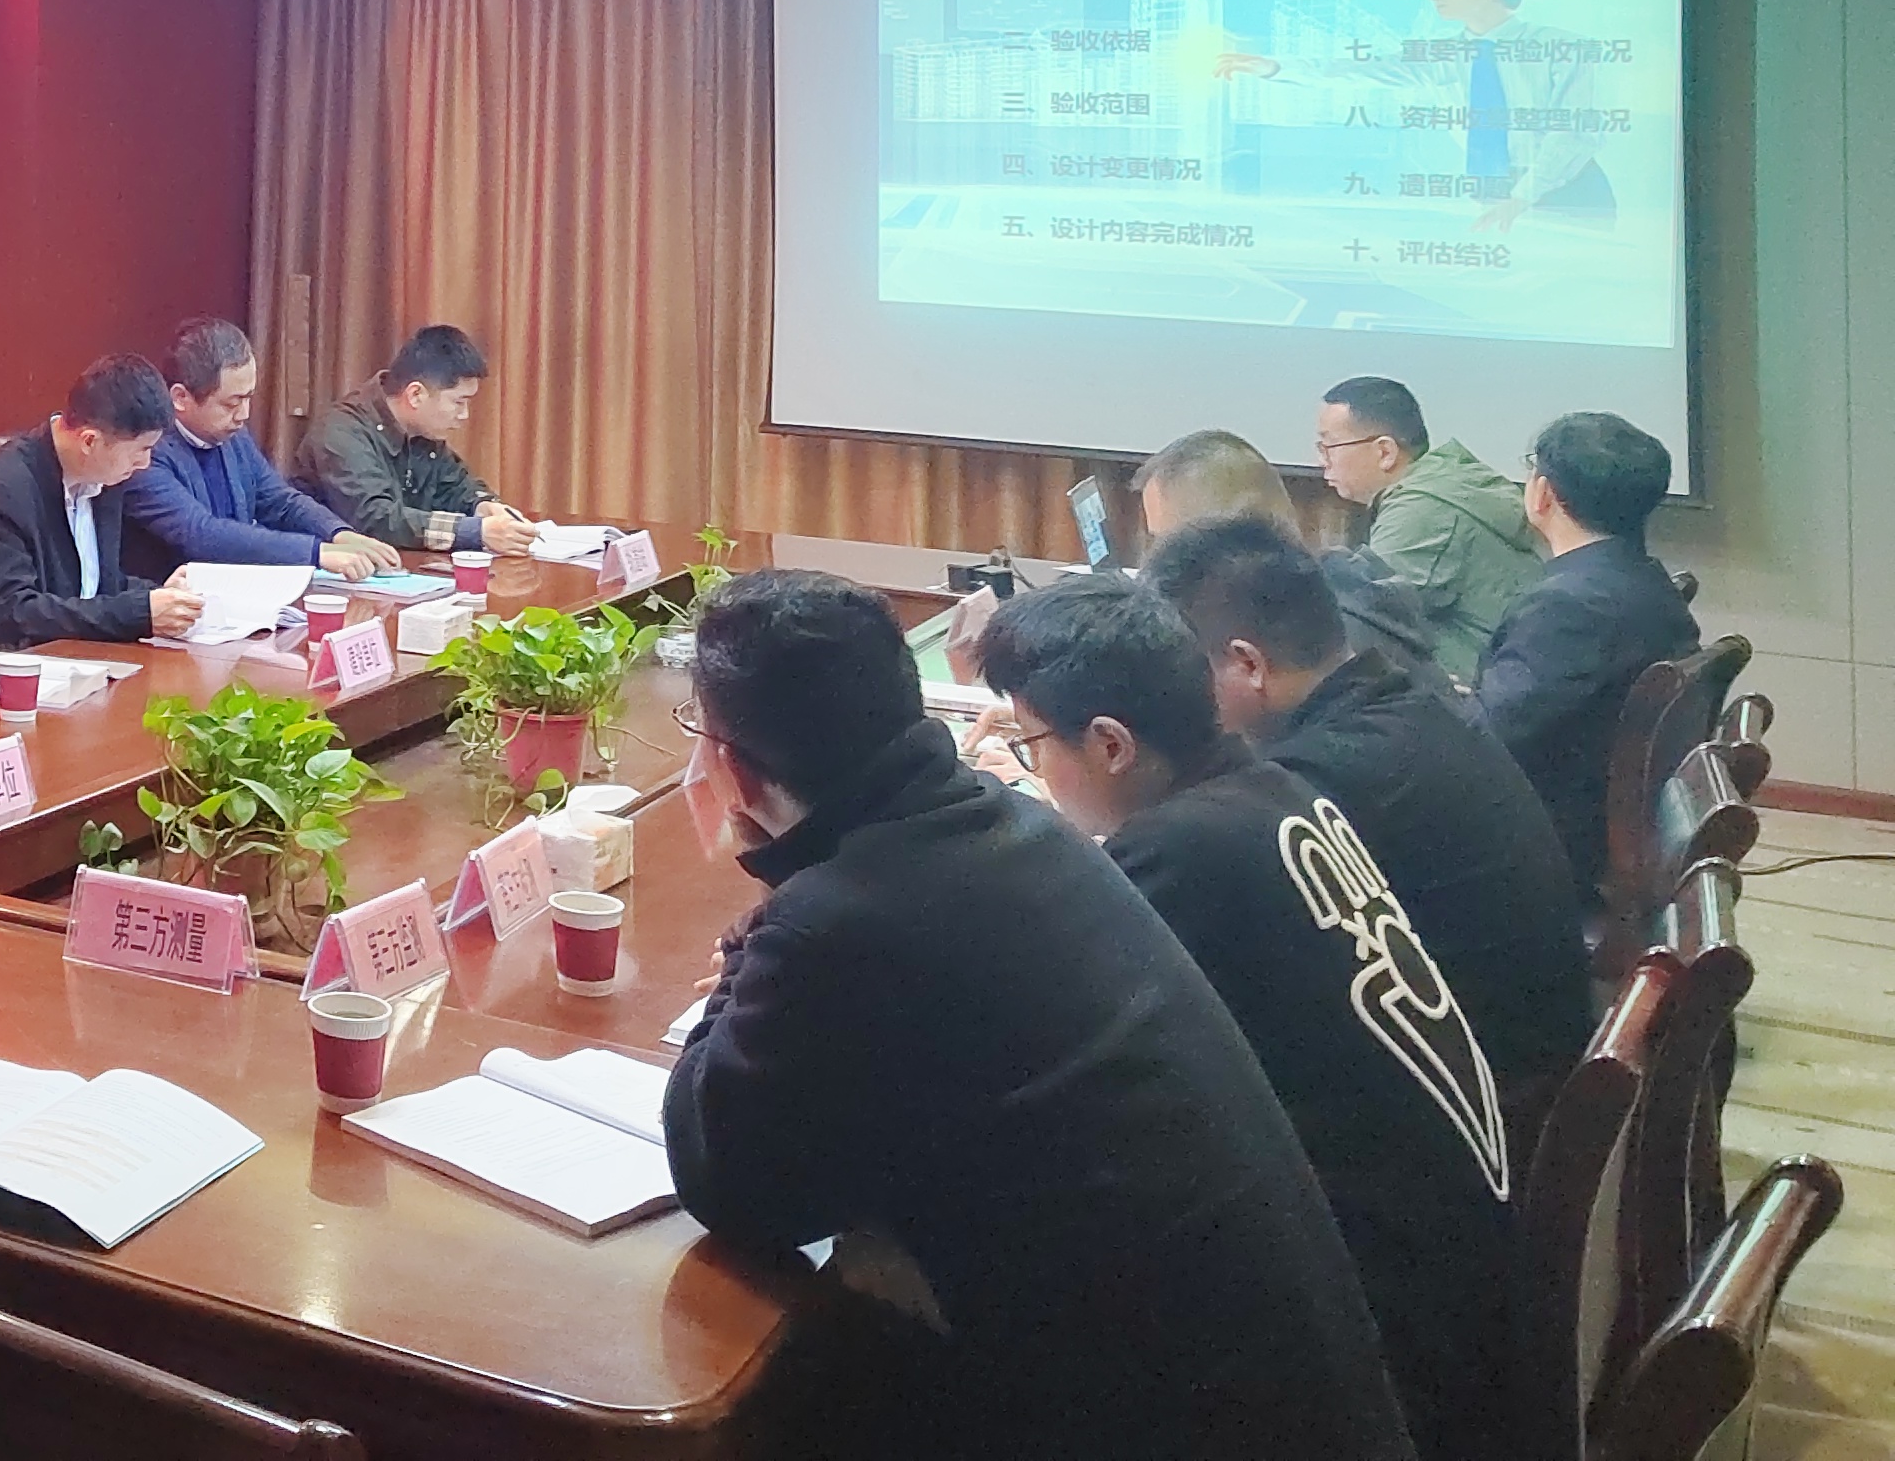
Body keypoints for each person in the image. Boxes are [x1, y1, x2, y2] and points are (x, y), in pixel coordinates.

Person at [660, 569, 1410, 1461]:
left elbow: (726, 1181)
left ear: (732, 767)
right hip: (1291, 1387)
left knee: (783, 1392)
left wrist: (761, 921)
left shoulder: (842, 916)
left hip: (1159, 1421)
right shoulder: (1017, 823)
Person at [976, 576, 1538, 1461]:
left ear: (1111, 744)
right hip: (1465, 1261)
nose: (1033, 764)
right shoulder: (1266, 790)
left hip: (1392, 1340)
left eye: (1031, 742)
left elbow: (1031, 1040)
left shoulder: (1180, 852)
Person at [1145, 514, 1590, 1110]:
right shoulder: (1406, 704)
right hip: (1527, 1058)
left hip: (1483, 1107)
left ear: (1248, 665)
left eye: (1182, 675)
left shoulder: (1319, 781)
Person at [1218, 0, 1617, 234]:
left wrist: (1523, 196)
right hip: (1490, 195)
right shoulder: (1443, 55)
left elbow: (1574, 131)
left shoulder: (1563, 47)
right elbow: (1365, 70)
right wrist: (1275, 67)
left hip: (1566, 191)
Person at [1476, 410, 1698, 899]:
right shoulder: (1644, 579)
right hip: (1596, 815)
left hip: (1545, 841)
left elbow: (1485, 738)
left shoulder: (1568, 607)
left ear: (1542, 494)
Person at [1134, 426, 1432, 674]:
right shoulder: (1350, 589)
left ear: (1221, 538)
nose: (1157, 564)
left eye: (1165, 543)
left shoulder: (1313, 642)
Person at [125, 316, 400, 582]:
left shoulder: (232, 435)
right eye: (231, 403)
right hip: (169, 601)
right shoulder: (143, 454)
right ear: (180, 398)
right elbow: (201, 534)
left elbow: (278, 501)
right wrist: (317, 553)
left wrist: (337, 534)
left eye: (248, 398)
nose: (243, 414)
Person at [0, 353, 208, 648]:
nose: (144, 464)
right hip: (13, 664)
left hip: (86, 659)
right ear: (90, 441)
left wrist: (157, 596)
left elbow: (94, 588)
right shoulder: (3, 487)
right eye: (140, 450)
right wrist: (140, 613)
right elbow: (15, 614)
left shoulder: (104, 477)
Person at [1314, 376, 1542, 681]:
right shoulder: (1446, 481)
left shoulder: (1422, 508)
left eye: (1328, 446)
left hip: (1486, 691)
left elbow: (1358, 620)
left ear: (1385, 452)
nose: (1321, 461)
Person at [289, 323, 537, 556]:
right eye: (458, 402)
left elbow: (455, 486)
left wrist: (484, 506)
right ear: (416, 394)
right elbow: (375, 519)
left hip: (397, 566)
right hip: (331, 569)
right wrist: (476, 532)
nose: (464, 415)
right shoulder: (342, 431)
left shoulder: (422, 432)